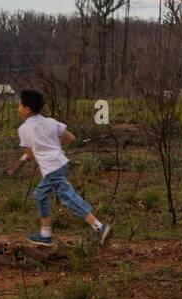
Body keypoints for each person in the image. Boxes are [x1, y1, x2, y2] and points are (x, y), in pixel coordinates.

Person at [9, 89, 111, 247]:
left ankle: (100, 227)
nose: (18, 108)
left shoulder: (24, 129)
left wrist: (28, 156)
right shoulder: (50, 122)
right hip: (61, 163)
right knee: (40, 194)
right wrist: (54, 146)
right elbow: (70, 137)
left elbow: (30, 153)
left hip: (51, 169)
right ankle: (45, 234)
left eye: (20, 105)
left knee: (68, 198)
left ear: (27, 109)